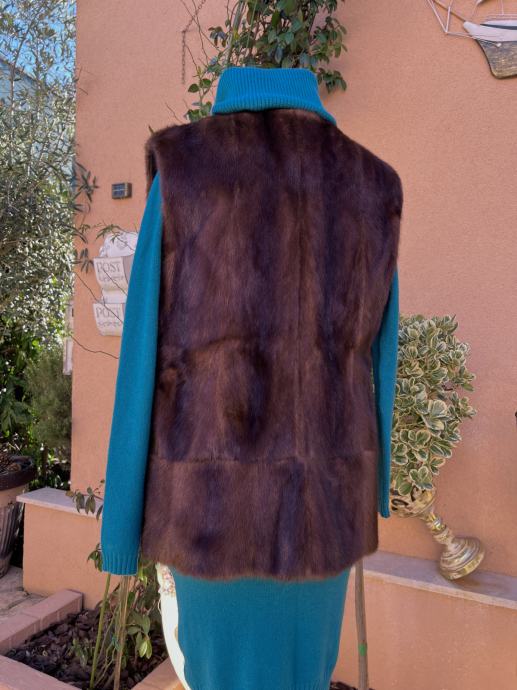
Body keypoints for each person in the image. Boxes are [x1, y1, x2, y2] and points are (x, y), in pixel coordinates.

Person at [100, 65, 402, 690]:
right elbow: (380, 354)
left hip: (212, 516)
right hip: (327, 506)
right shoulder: (372, 184)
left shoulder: (187, 170)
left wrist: (122, 520)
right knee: (307, 673)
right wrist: (376, 486)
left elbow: (141, 348)